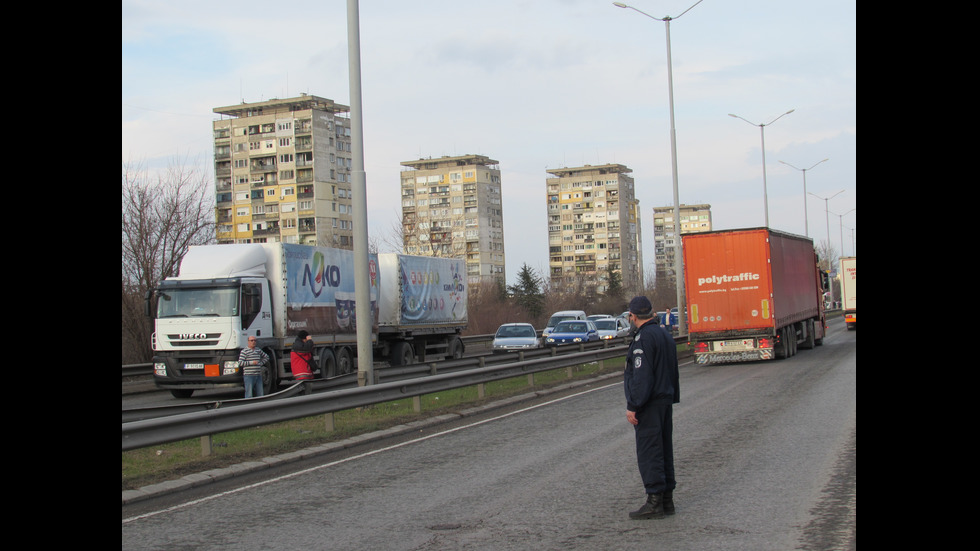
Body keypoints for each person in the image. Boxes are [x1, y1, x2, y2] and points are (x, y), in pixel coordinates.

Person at [624, 295, 680, 519]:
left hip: (649, 403)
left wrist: (633, 405)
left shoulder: (644, 338)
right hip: (665, 400)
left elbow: (642, 376)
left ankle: (655, 500)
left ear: (633, 316)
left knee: (650, 452)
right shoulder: (664, 335)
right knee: (664, 449)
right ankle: (667, 500)